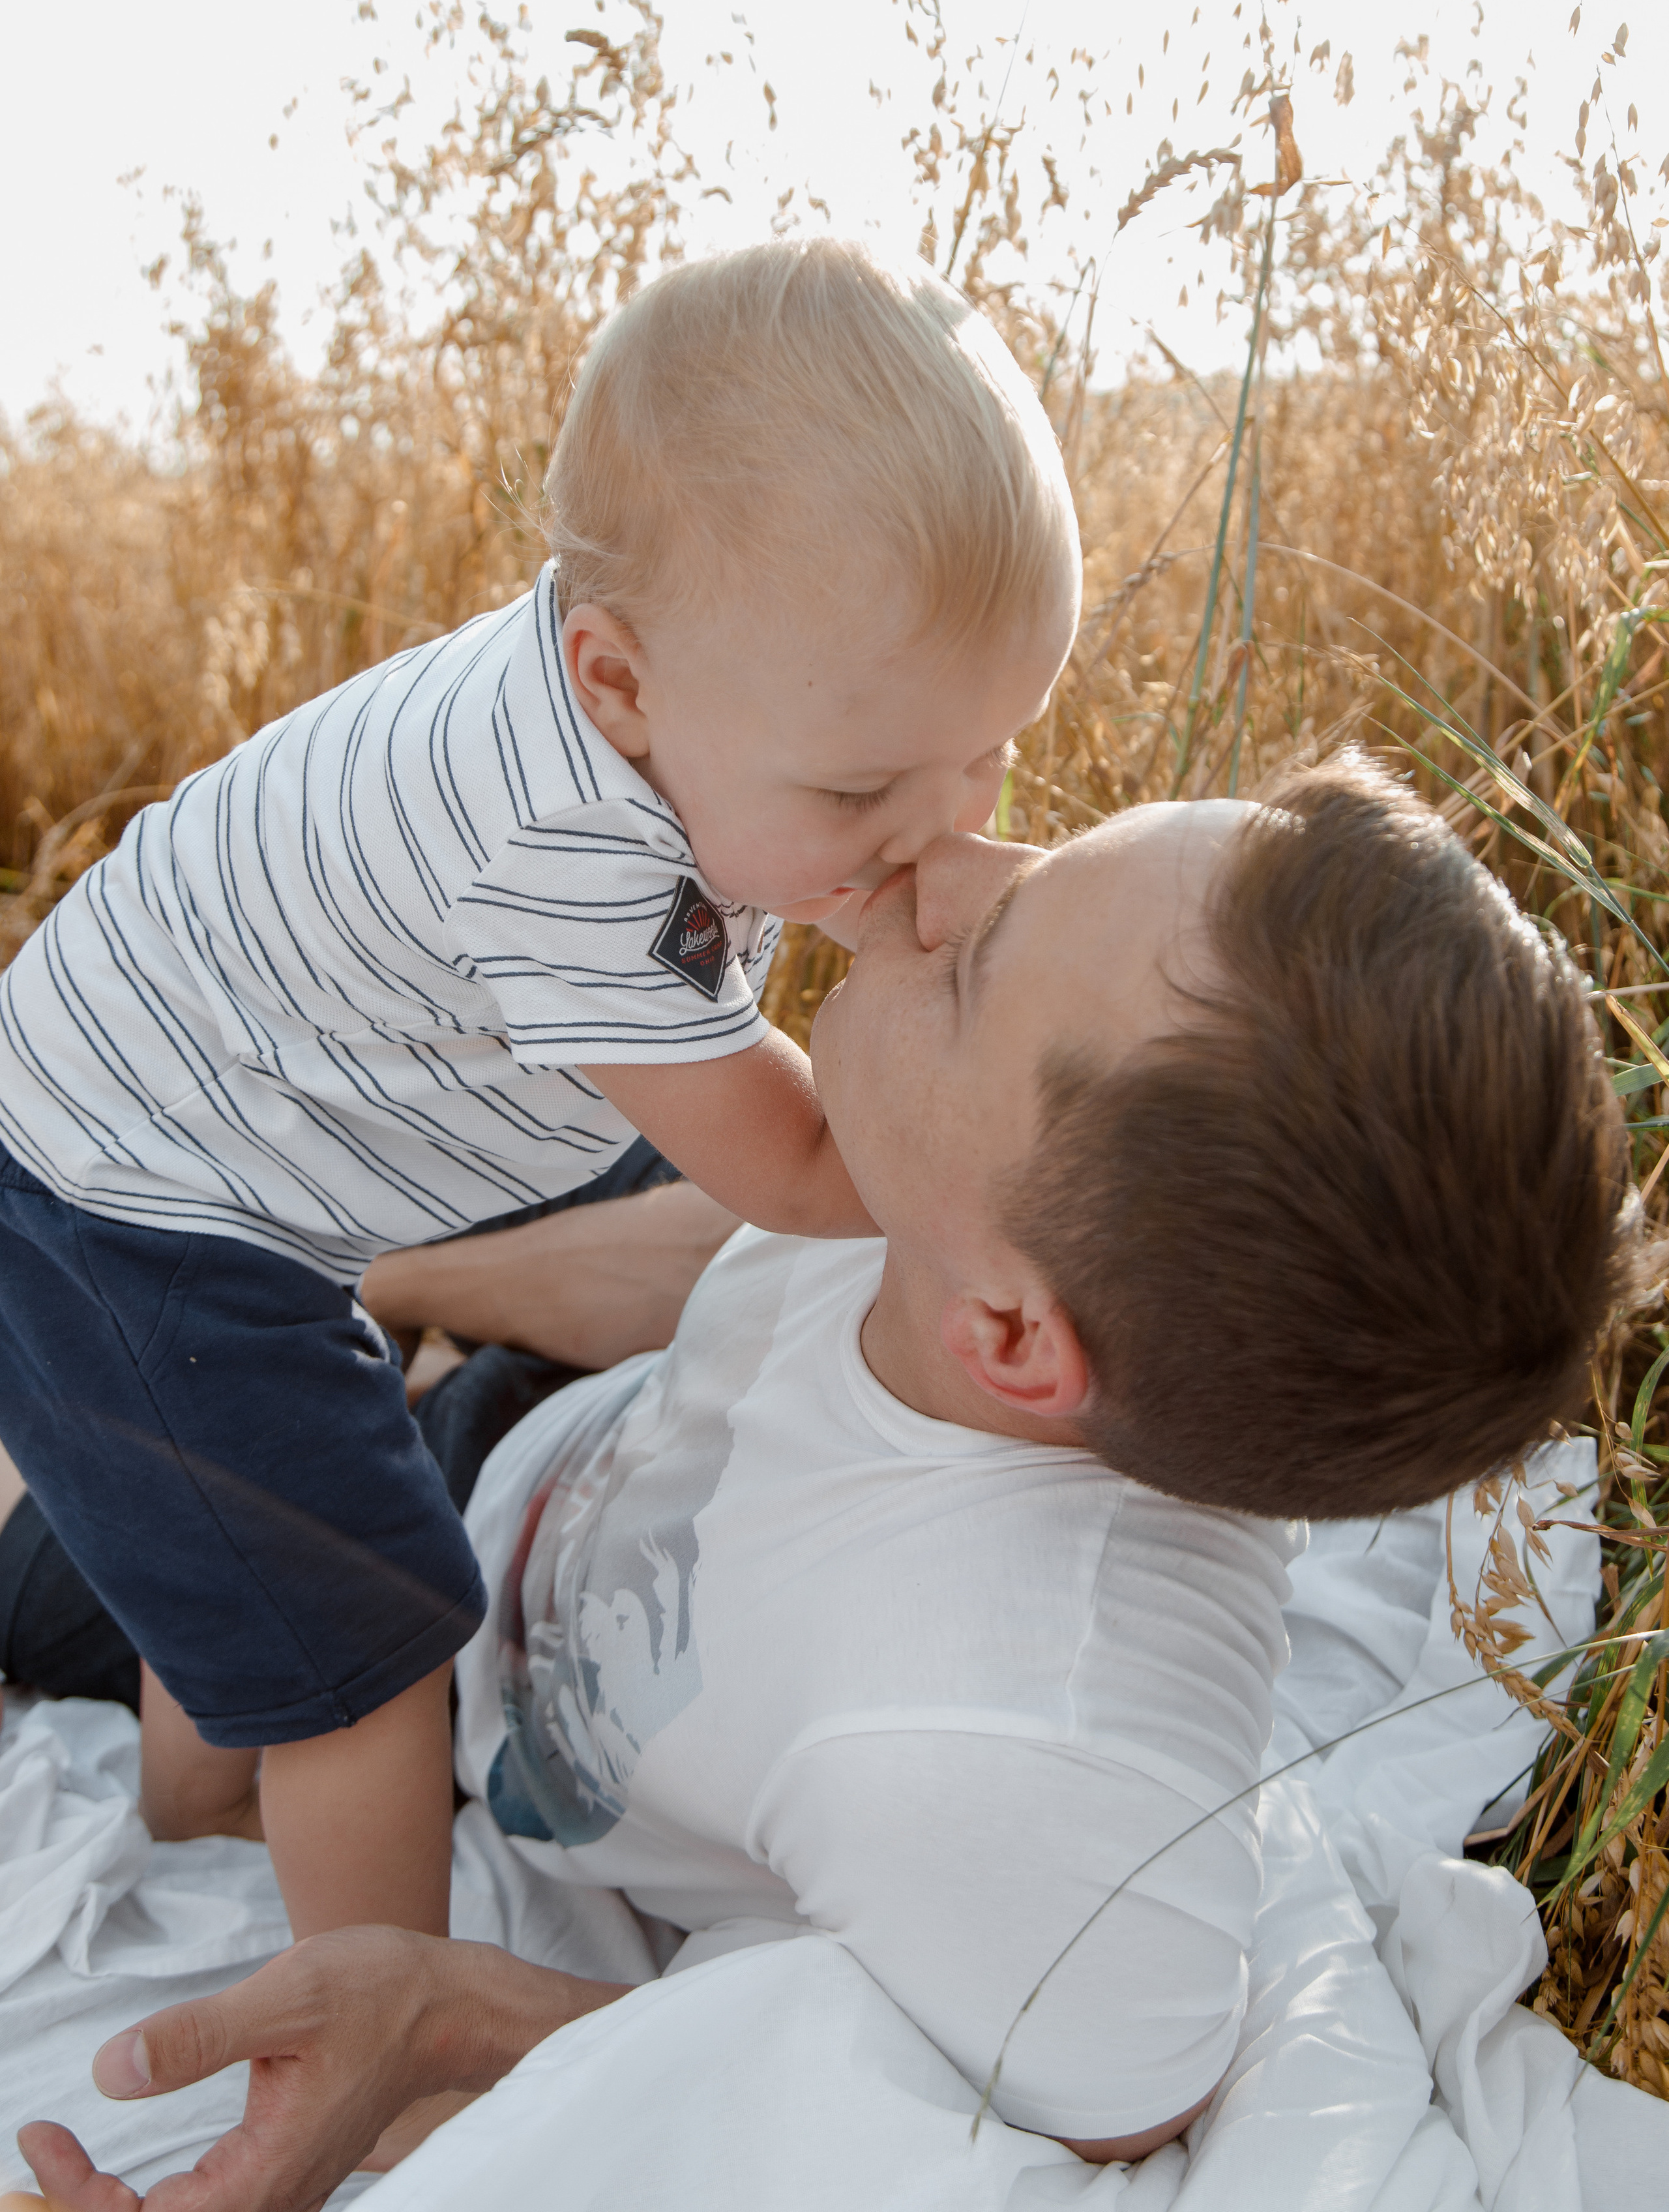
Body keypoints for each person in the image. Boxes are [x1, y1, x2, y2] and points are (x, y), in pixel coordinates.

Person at [18, 758, 1638, 2211]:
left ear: (1005, 1334)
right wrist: (365, 1294)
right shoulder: (949, 1209)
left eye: (976, 961)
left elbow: (1002, 2116)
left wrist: (453, 2016)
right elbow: (709, 1257)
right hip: (540, 1443)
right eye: (1043, 852)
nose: (943, 867)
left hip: (453, 1664)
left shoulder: (1019, 1761)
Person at [0, 240, 1080, 1949]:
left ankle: (197, 1795)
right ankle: (378, 2039)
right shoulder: (566, 849)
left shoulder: (688, 700)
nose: (941, 828)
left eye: (996, 752)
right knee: (371, 1643)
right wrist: (1032, 1120)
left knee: (255, 1527)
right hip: (134, 1198)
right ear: (617, 682)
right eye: (870, 785)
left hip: (172, 1118)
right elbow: (798, 1164)